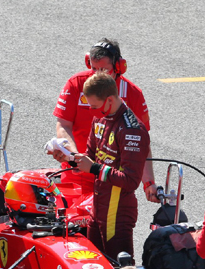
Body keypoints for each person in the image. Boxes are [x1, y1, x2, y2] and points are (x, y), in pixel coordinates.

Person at [52, 39, 158, 202]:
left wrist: (149, 183)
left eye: (103, 70)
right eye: (94, 69)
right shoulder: (76, 84)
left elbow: (140, 145)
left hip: (112, 181)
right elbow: (63, 125)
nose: (97, 75)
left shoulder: (133, 94)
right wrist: (74, 157)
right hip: (77, 176)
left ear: (119, 67)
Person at [72, 72, 149, 257]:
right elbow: (91, 156)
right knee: (92, 264)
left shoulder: (132, 130)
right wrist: (69, 157)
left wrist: (94, 169)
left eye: (95, 106)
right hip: (97, 208)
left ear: (109, 100)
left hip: (117, 213)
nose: (91, 111)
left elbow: (131, 180)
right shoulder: (100, 117)